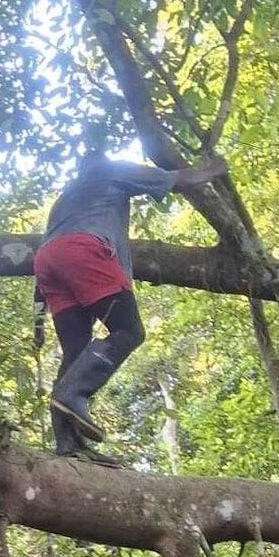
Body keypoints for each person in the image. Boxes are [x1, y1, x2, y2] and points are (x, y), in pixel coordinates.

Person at [33, 139, 227, 458]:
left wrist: (38, 319)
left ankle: (68, 444)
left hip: (47, 264)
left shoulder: (64, 199)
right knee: (129, 331)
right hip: (85, 252)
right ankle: (73, 394)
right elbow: (175, 179)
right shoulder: (110, 170)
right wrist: (213, 171)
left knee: (75, 352)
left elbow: (50, 248)